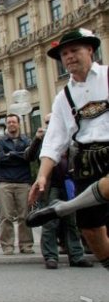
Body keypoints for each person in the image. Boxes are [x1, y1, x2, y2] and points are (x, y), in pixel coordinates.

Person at [28, 28, 109, 274]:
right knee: (90, 230)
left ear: (90, 50)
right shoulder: (63, 97)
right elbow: (54, 140)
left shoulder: (107, 76)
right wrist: (42, 176)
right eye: (64, 54)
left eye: (74, 50)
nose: (69, 57)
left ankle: (65, 206)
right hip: (86, 161)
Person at [26, 113, 92, 269]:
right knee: (49, 222)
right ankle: (50, 256)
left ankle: (76, 256)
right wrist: (36, 139)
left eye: (52, 121)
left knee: (72, 222)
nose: (50, 124)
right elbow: (28, 156)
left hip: (69, 184)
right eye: (47, 121)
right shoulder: (43, 140)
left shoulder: (71, 137)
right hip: (50, 186)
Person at [0, 114, 35, 255]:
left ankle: (26, 245)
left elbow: (30, 157)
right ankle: (7, 246)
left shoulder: (27, 140)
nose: (11, 124)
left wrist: (11, 154)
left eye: (13, 122)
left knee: (25, 216)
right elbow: (1, 159)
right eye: (9, 122)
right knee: (6, 217)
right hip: (4, 182)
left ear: (18, 124)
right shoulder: (0, 141)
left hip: (23, 182)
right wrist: (19, 155)